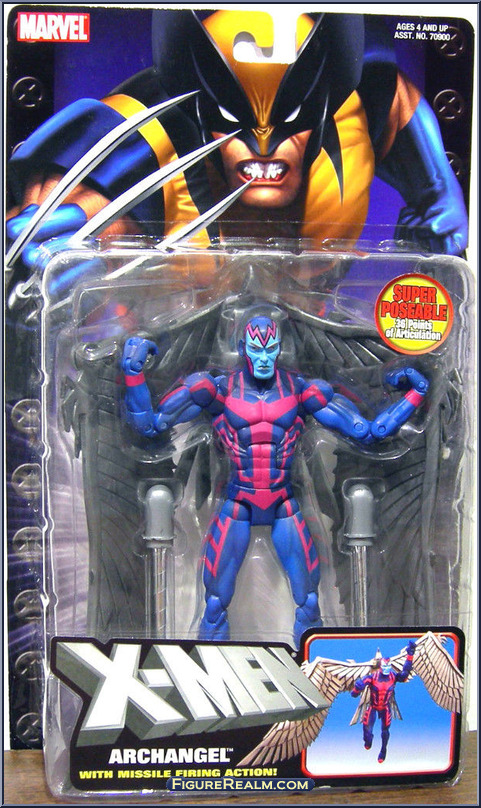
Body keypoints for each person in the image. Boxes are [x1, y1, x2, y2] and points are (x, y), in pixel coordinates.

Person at [121, 314, 429, 646]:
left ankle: (313, 669)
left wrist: (415, 394)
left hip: (284, 504)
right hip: (237, 502)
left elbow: (368, 431)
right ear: (243, 348)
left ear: (280, 349)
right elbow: (150, 425)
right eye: (257, 349)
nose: (264, 358)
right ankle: (211, 670)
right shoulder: (216, 390)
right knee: (215, 603)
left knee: (309, 602)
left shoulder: (303, 392)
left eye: (271, 349)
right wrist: (133, 372)